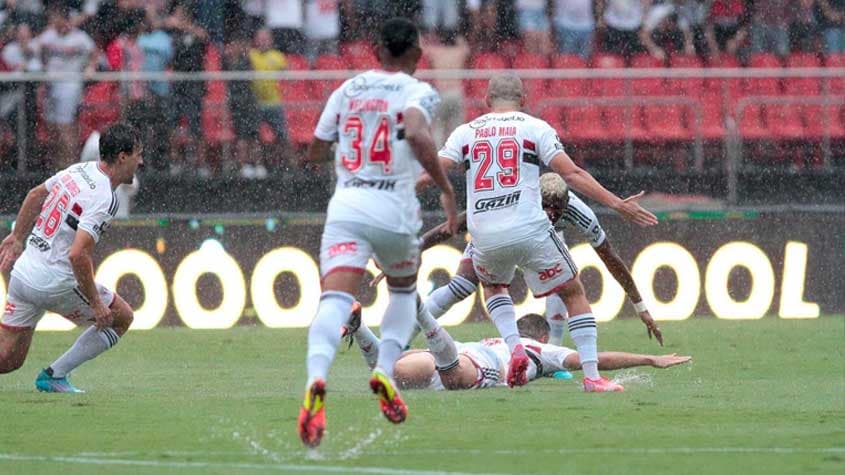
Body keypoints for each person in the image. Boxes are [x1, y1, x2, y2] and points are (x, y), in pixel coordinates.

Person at [433, 74, 657, 394]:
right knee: (573, 292)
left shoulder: (464, 132)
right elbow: (571, 173)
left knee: (494, 287)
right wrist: (617, 203)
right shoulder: (535, 127)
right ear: (524, 100)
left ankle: (516, 348)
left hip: (483, 229)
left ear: (486, 101)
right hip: (528, 228)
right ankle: (592, 378)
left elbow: (435, 169)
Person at [297, 17, 458, 448]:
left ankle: (316, 380)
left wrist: (346, 151)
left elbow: (314, 149)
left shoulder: (346, 90)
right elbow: (419, 134)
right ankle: (385, 371)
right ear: (417, 54)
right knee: (403, 293)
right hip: (395, 209)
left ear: (376, 51)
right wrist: (444, 188)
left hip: (347, 205)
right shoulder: (419, 91)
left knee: (333, 300)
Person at [378, 172, 662, 348]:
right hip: (504, 234)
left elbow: (610, 257)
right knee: (461, 288)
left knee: (566, 284)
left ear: (566, 204)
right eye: (545, 207)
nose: (551, 213)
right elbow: (452, 226)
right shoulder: (512, 198)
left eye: (557, 209)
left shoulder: (579, 212)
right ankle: (402, 338)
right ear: (534, 198)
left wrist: (640, 305)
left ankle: (551, 348)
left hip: (540, 243)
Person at [0, 123, 143, 393]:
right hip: (54, 282)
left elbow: (35, 194)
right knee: (121, 317)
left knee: (8, 359)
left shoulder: (79, 169)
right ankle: (54, 376)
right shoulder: (106, 197)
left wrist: (18, 237)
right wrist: (96, 303)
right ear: (122, 157)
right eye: (138, 154)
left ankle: (53, 377)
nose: (141, 161)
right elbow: (78, 254)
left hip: (24, 273)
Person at [345, 306, 691, 391]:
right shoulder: (536, 349)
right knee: (452, 375)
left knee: (389, 373)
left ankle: (360, 330)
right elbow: (592, 359)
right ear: (542, 337)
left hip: (461, 351)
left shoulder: (497, 337)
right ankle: (420, 307)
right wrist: (649, 358)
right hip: (475, 366)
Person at [35, 5, 97, 169]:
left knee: (65, 129)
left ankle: (71, 167)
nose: (57, 23)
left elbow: (94, 54)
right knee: (52, 130)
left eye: (59, 19)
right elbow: (35, 49)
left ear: (67, 20)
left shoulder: (80, 38)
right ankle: (58, 168)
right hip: (51, 87)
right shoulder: (48, 36)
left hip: (70, 86)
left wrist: (90, 67)